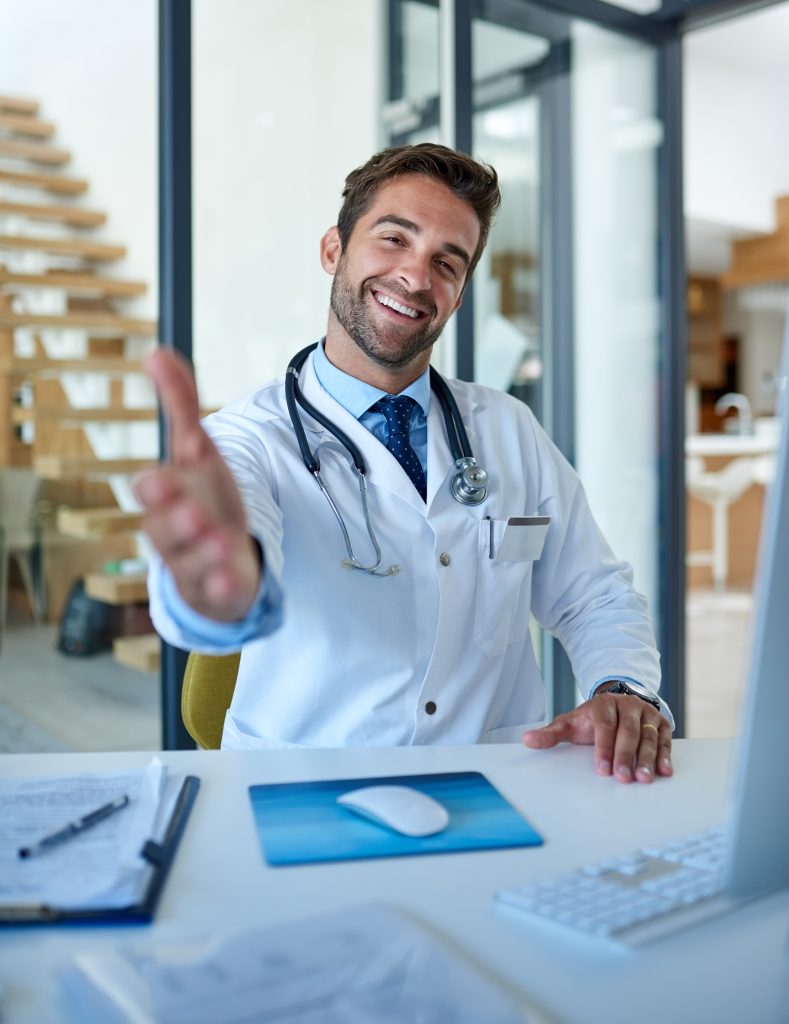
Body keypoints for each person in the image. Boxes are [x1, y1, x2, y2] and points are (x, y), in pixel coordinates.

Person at [138, 143, 674, 783]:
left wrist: (623, 687)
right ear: (334, 249)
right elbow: (228, 565)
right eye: (395, 239)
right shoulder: (245, 442)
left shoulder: (507, 429)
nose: (417, 278)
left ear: (460, 293)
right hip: (304, 791)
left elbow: (594, 591)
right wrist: (215, 587)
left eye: (447, 263)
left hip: (493, 785)